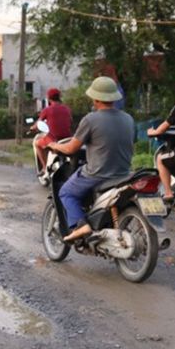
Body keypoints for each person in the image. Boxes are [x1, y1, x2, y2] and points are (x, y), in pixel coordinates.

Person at [48, 76, 135, 242]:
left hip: (98, 174)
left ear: (95, 98)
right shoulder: (128, 119)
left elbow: (71, 148)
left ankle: (81, 225)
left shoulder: (91, 119)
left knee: (65, 192)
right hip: (124, 174)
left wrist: (54, 146)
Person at [30, 88, 72, 172]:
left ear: (49, 98)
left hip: (53, 139)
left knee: (37, 143)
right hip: (67, 139)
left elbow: (38, 124)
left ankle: (45, 168)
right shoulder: (67, 109)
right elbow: (70, 121)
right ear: (59, 97)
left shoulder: (47, 110)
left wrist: (31, 128)